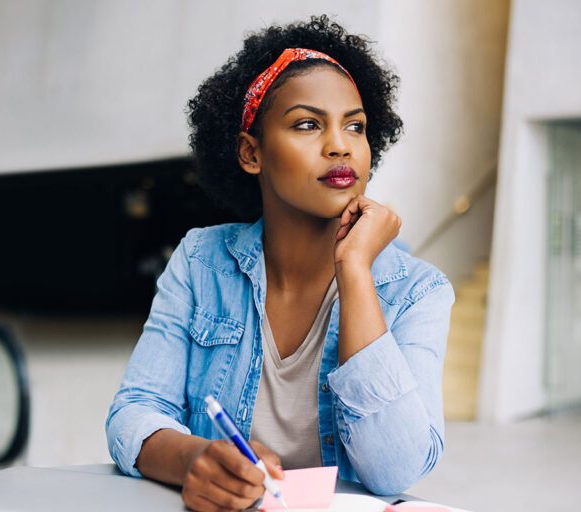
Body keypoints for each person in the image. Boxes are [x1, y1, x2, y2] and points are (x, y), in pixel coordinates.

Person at [106, 15, 454, 512]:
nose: (340, 145)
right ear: (251, 153)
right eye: (308, 124)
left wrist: (355, 272)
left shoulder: (419, 290)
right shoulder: (202, 261)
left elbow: (395, 470)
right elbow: (135, 411)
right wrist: (194, 459)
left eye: (354, 126)